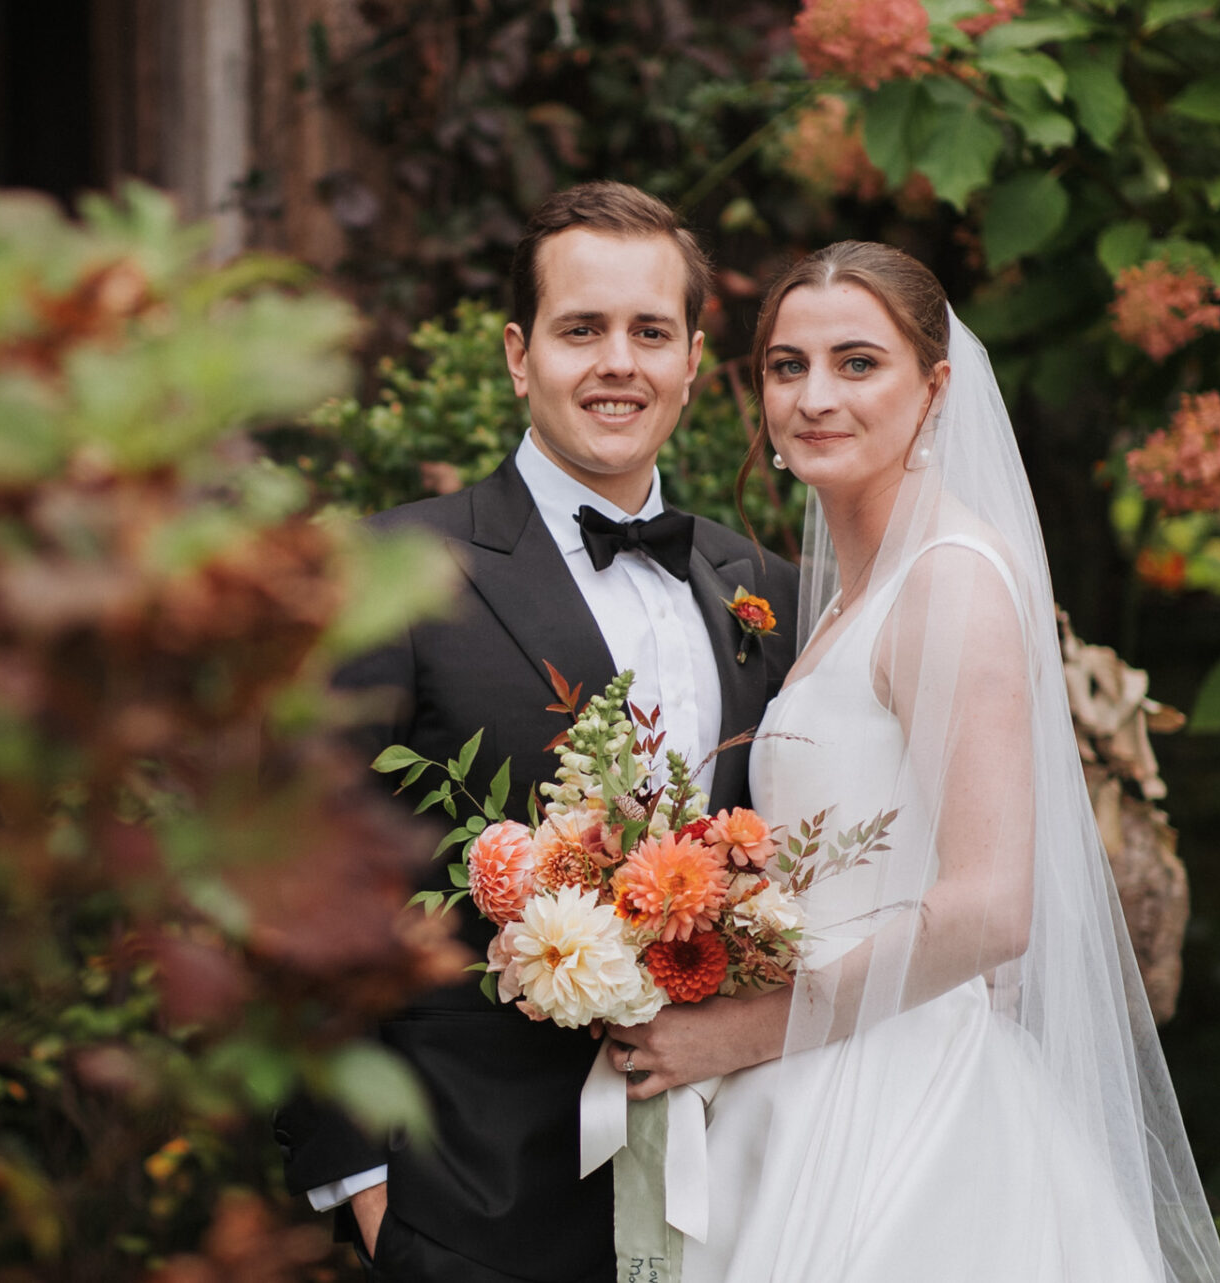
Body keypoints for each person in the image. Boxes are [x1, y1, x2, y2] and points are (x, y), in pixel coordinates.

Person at [598, 242, 1220, 1281]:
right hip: (817, 1079)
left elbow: (989, 909)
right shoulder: (848, 593)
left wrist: (745, 1030)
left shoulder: (949, 582)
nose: (813, 396)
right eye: (787, 365)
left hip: (901, 1103)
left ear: (935, 388)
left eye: (858, 363)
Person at [274, 181, 798, 1283]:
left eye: (651, 331)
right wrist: (364, 1192)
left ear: (696, 361)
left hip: (753, 1190)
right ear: (520, 355)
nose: (620, 361)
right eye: (581, 329)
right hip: (473, 1203)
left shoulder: (768, 592)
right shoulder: (392, 573)